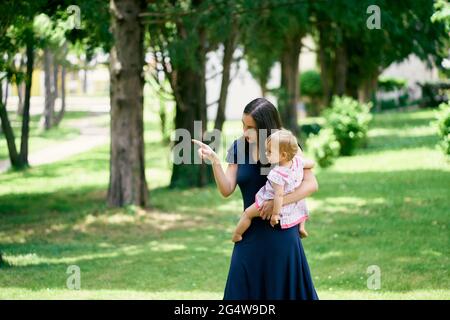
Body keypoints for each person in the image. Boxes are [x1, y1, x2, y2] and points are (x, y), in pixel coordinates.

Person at [192, 98, 319, 300]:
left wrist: (275, 204)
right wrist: (215, 161)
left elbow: (311, 184)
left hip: (281, 233)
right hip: (248, 233)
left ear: (266, 127)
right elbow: (226, 190)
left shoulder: (284, 145)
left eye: (251, 127)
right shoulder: (239, 147)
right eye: (243, 125)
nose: (245, 132)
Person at [231, 129, 313, 243]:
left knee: (247, 214)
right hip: (293, 199)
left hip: (270, 200)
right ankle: (302, 227)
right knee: (302, 202)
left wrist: (275, 214)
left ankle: (237, 234)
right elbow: (311, 163)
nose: (266, 154)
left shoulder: (277, 174)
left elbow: (278, 195)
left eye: (270, 152)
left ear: (283, 155)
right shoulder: (298, 162)